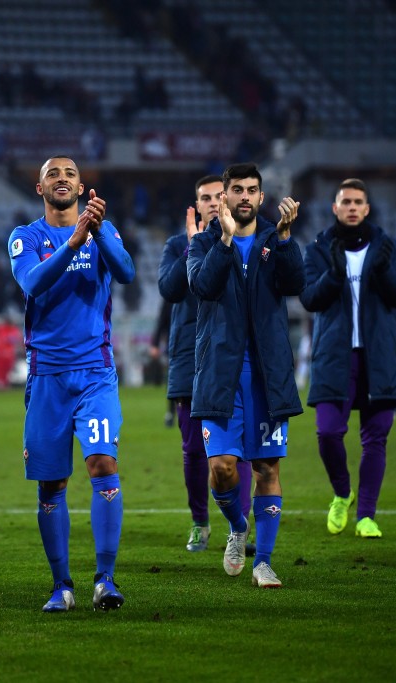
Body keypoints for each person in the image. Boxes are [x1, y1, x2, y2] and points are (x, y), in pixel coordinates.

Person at [7, 155, 135, 612]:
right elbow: (33, 283)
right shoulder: (25, 237)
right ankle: (62, 585)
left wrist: (95, 233)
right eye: (52, 174)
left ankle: (105, 579)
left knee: (102, 464)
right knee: (51, 484)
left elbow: (126, 272)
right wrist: (73, 241)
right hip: (46, 378)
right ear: (39, 188)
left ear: (81, 188)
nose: (62, 179)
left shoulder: (105, 230)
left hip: (94, 373)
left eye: (70, 174)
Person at [187, 163, 304, 588]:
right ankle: (238, 527)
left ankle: (265, 562)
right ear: (225, 197)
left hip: (267, 376)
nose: (245, 197)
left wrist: (288, 240)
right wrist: (223, 239)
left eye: (252, 190)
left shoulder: (276, 238)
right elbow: (202, 285)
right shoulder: (203, 243)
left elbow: (297, 283)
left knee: (267, 469)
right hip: (220, 374)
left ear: (260, 196)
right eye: (237, 190)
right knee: (221, 468)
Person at [299, 178, 396, 540]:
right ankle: (342, 492)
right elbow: (310, 299)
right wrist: (334, 274)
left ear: (366, 208)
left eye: (357, 201)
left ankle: (366, 515)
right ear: (335, 207)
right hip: (334, 357)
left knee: (375, 439)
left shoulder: (387, 247)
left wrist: (380, 270)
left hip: (379, 357)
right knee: (328, 432)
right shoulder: (318, 249)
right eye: (345, 201)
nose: (351, 207)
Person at [158, 174, 254, 553]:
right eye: (205, 197)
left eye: (219, 195)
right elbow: (168, 289)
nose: (214, 202)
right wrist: (194, 245)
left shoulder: (243, 242)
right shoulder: (177, 244)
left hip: (230, 355)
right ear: (196, 206)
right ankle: (200, 521)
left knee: (237, 448)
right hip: (189, 359)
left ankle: (240, 525)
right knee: (194, 450)